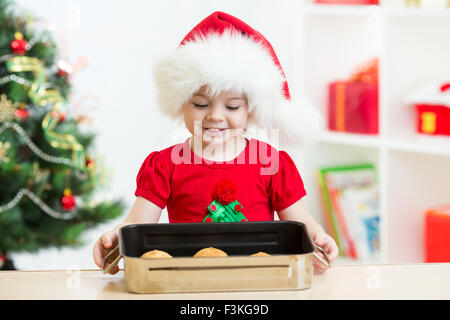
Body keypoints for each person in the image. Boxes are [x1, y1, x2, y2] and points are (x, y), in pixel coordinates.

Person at [93, 11, 338, 275]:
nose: (215, 116)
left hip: (260, 279)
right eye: (200, 104)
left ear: (250, 110)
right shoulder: (164, 165)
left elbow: (302, 225)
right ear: (180, 104)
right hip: (187, 281)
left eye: (232, 106)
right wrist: (116, 238)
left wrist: (319, 238)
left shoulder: (272, 163)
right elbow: (137, 226)